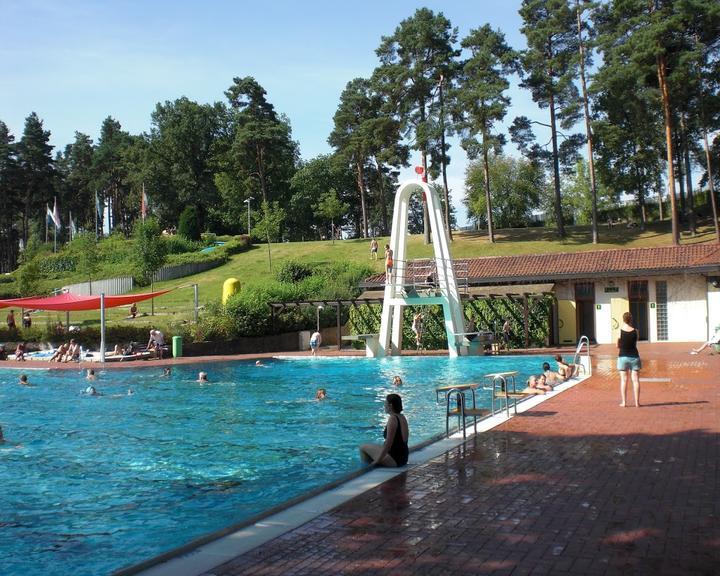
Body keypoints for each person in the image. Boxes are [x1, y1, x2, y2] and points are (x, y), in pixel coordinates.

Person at [359, 393, 409, 467]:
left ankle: (367, 469)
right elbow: (404, 441)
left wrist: (377, 461)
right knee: (375, 446)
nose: (384, 405)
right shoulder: (402, 417)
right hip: (403, 458)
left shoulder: (393, 419)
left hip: (395, 460)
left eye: (385, 403)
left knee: (362, 447)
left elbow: (388, 443)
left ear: (390, 405)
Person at [617, 311, 641, 407]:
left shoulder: (620, 331)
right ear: (631, 319)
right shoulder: (636, 331)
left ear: (623, 320)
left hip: (623, 356)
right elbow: (636, 340)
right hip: (634, 357)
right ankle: (637, 403)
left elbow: (617, 344)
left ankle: (624, 402)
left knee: (624, 380)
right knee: (635, 380)